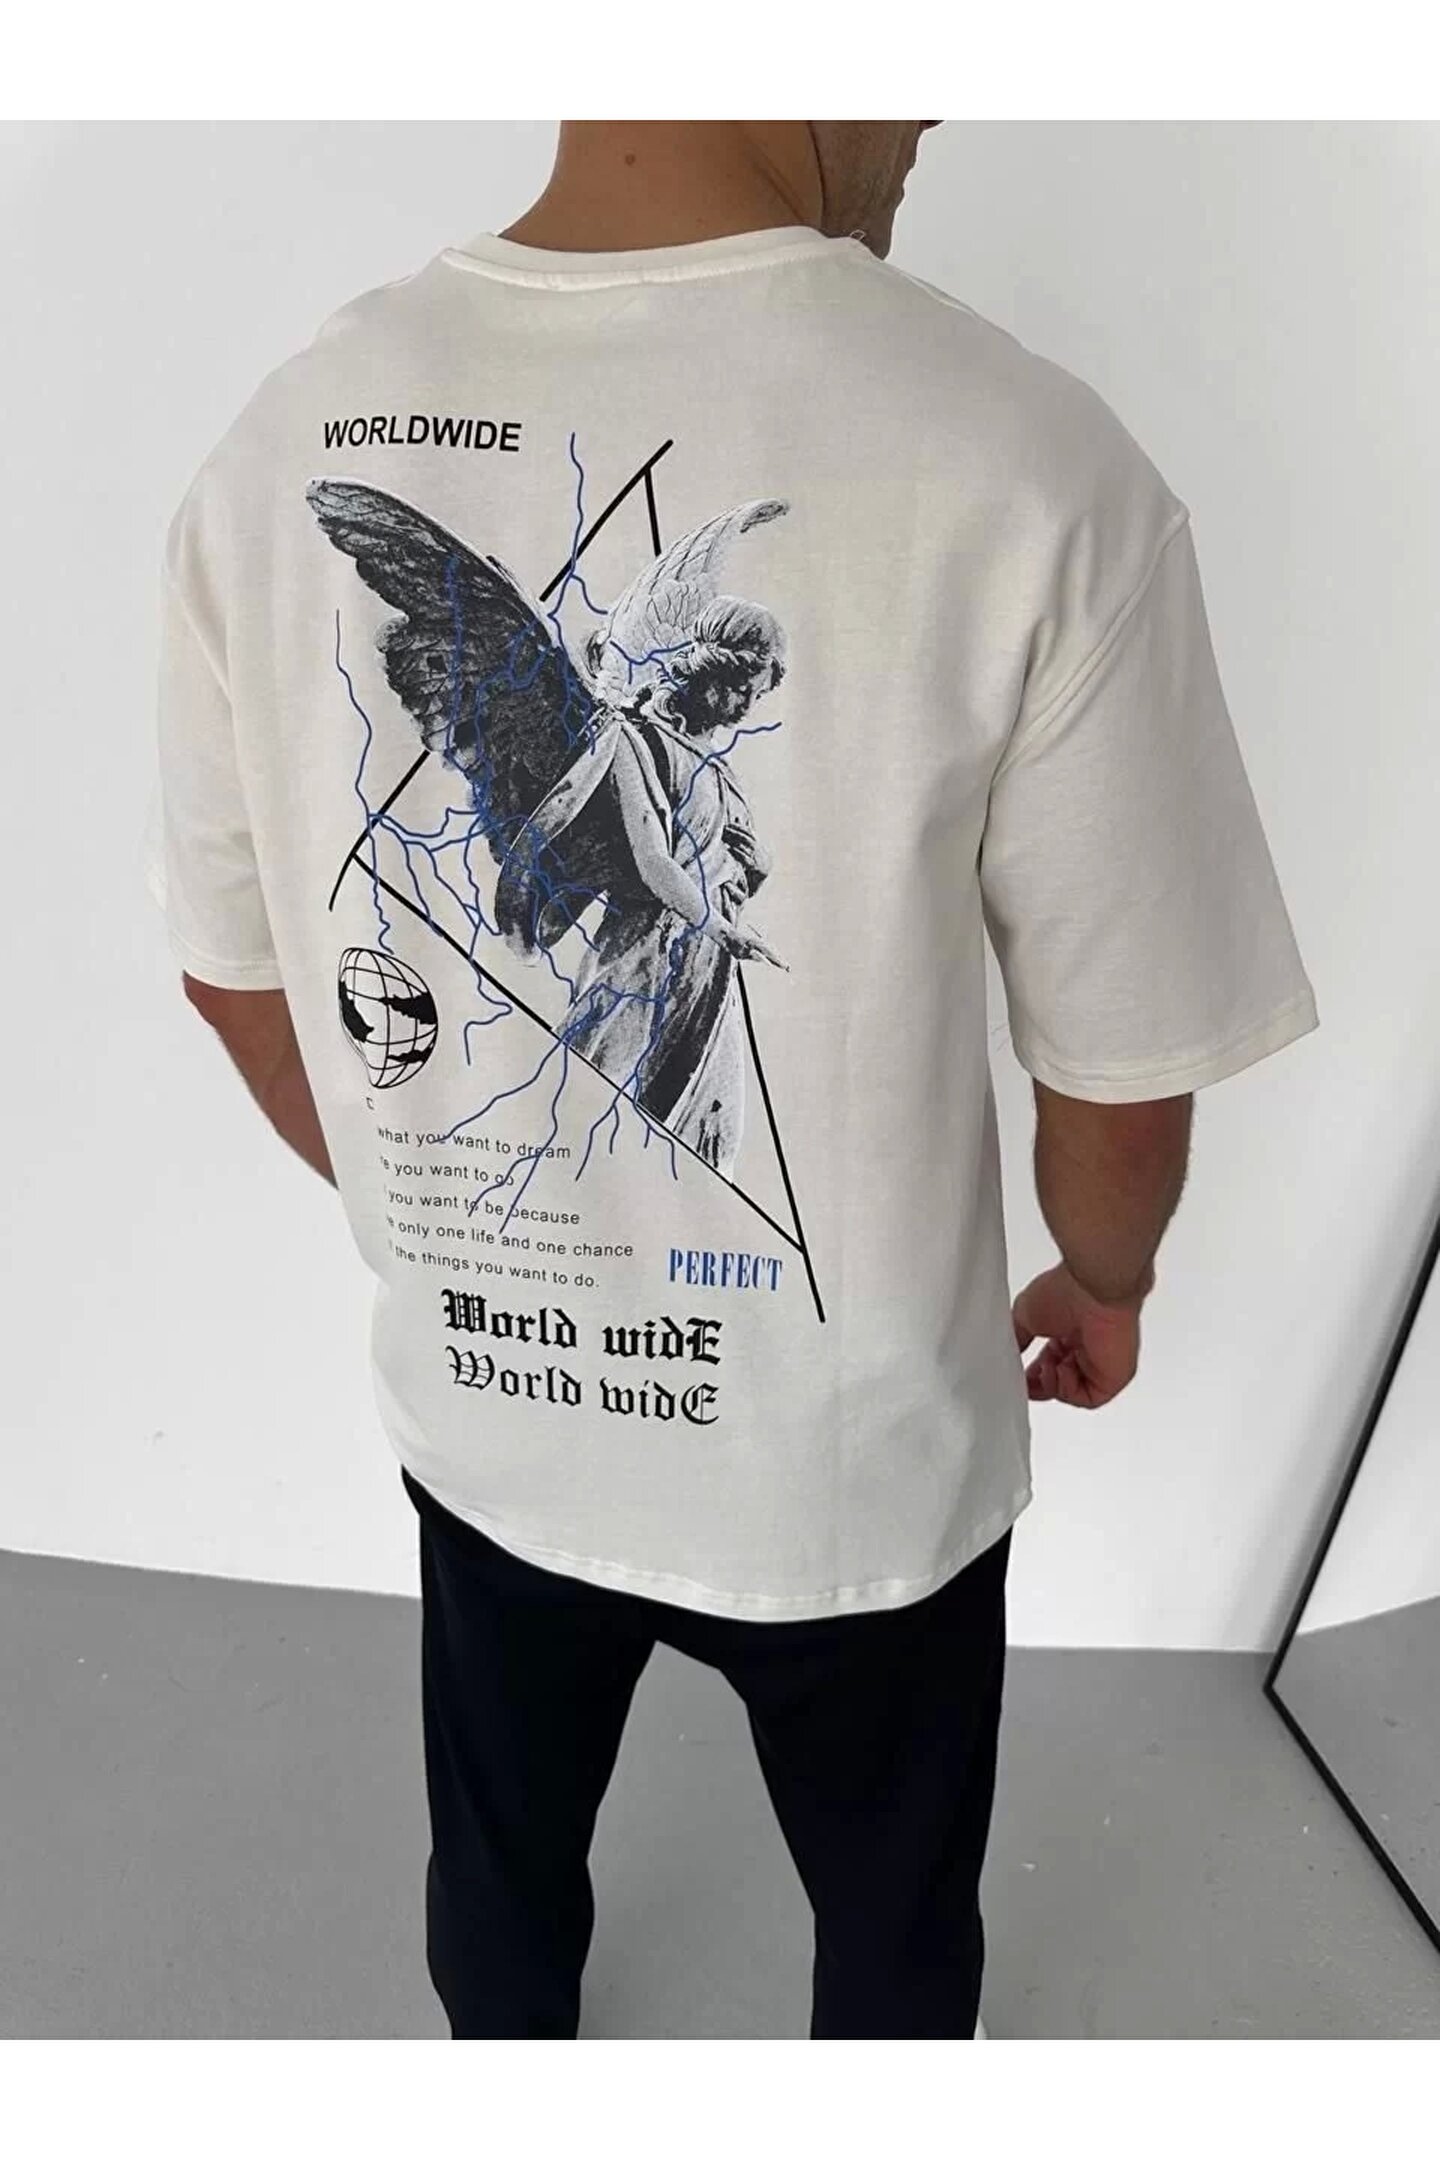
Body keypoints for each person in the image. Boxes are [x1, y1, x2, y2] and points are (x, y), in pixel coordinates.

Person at [144, 120, 1320, 2040]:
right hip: (853, 1469)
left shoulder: (290, 430)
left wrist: (439, 1229)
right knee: (893, 1936)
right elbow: (1119, 1076)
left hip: (496, 1416)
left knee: (501, 1884)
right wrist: (1107, 1277)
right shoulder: (1029, 460)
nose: (930, 120)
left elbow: (233, 974)